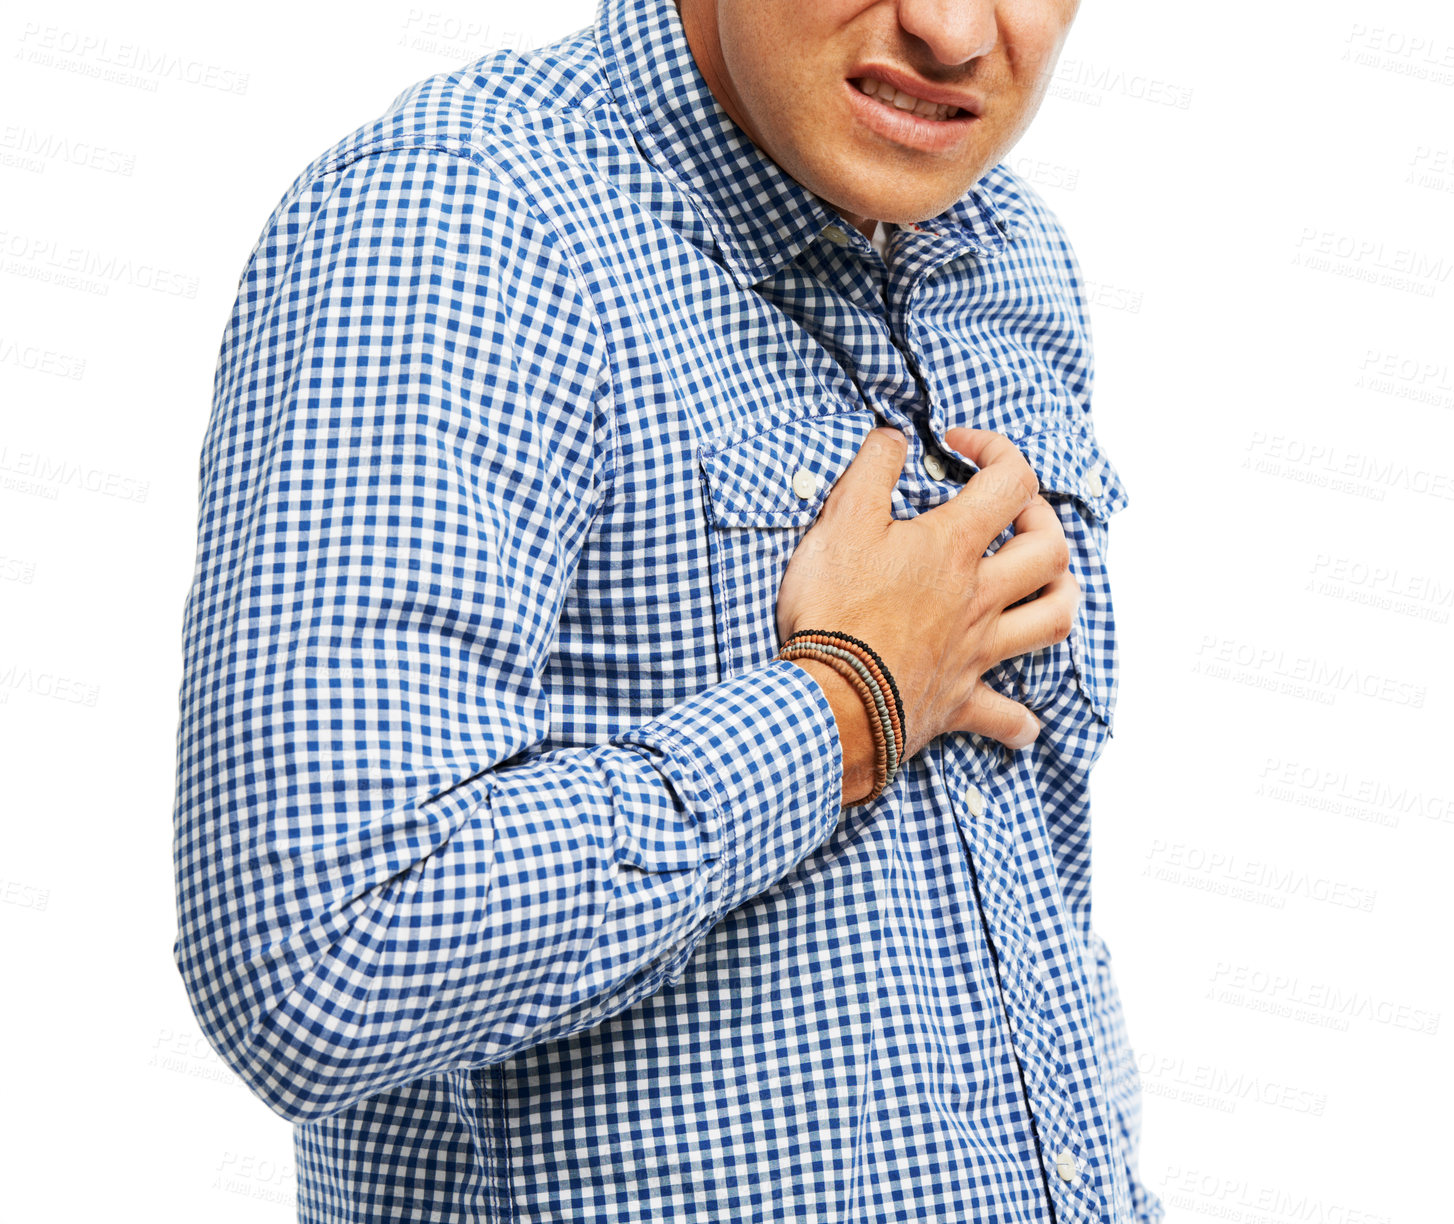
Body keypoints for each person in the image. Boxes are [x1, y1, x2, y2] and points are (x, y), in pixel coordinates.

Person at [170, 0, 1162, 1219]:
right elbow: (318, 962)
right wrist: (841, 707)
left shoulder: (1007, 252)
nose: (954, 33)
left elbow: (1025, 893)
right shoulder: (456, 225)